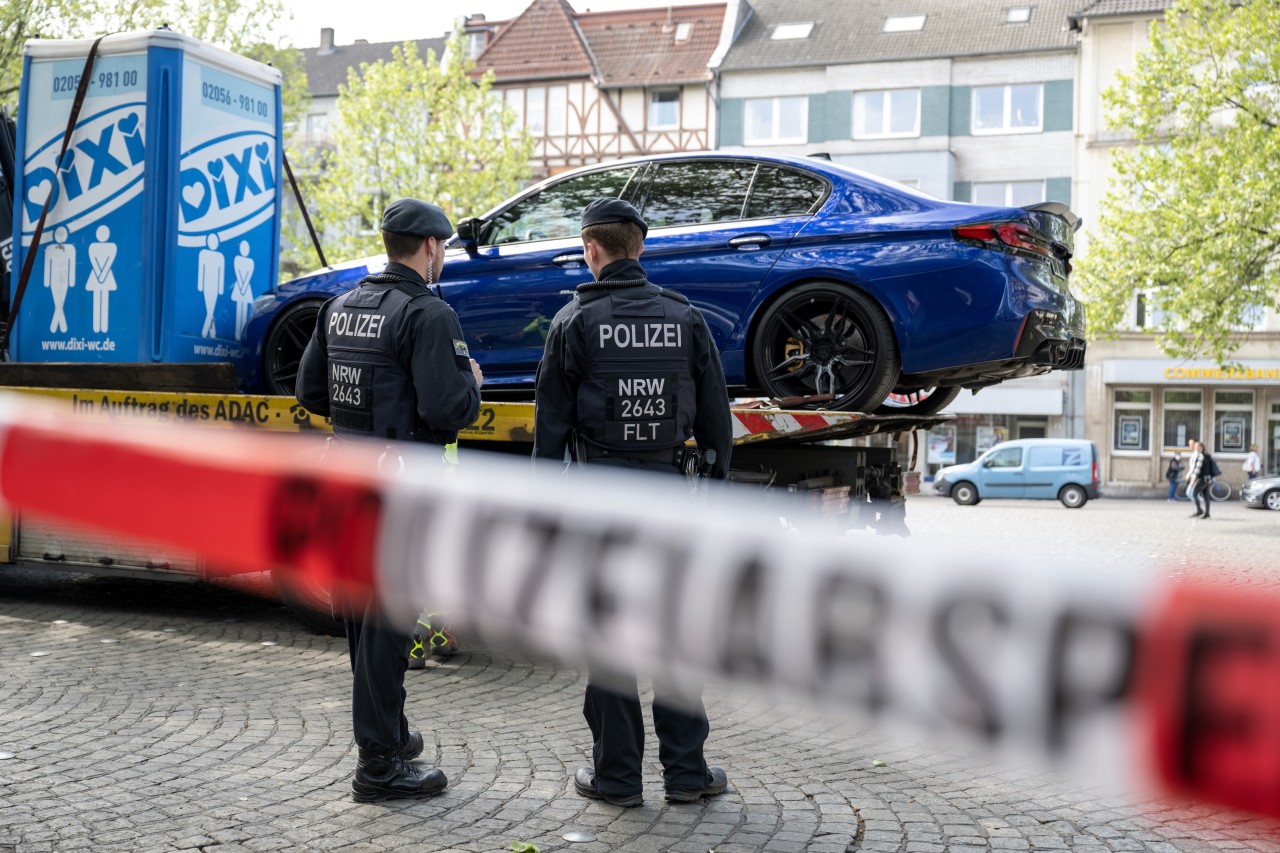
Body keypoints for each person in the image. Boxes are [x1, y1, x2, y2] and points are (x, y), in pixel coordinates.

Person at [533, 197, 733, 808]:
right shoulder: (685, 317)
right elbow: (715, 419)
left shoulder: (573, 323)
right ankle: (687, 776)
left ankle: (618, 778)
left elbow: (551, 430)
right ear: (640, 246)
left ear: (591, 249)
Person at [296, 198, 484, 802]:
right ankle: (377, 767)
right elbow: (445, 410)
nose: (444, 257)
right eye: (445, 248)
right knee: (388, 627)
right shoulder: (428, 313)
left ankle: (392, 733)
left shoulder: (340, 304)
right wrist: (471, 386)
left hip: (348, 476)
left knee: (362, 622)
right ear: (428, 247)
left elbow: (311, 393)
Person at [1185, 438, 1213, 520]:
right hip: (1207, 478)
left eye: (1197, 446)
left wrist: (1193, 479)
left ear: (1201, 447)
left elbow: (1197, 468)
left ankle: (1199, 510)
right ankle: (1207, 513)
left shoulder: (1200, 456)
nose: (1196, 447)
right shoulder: (1207, 455)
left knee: (1194, 494)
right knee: (1206, 497)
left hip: (1201, 478)